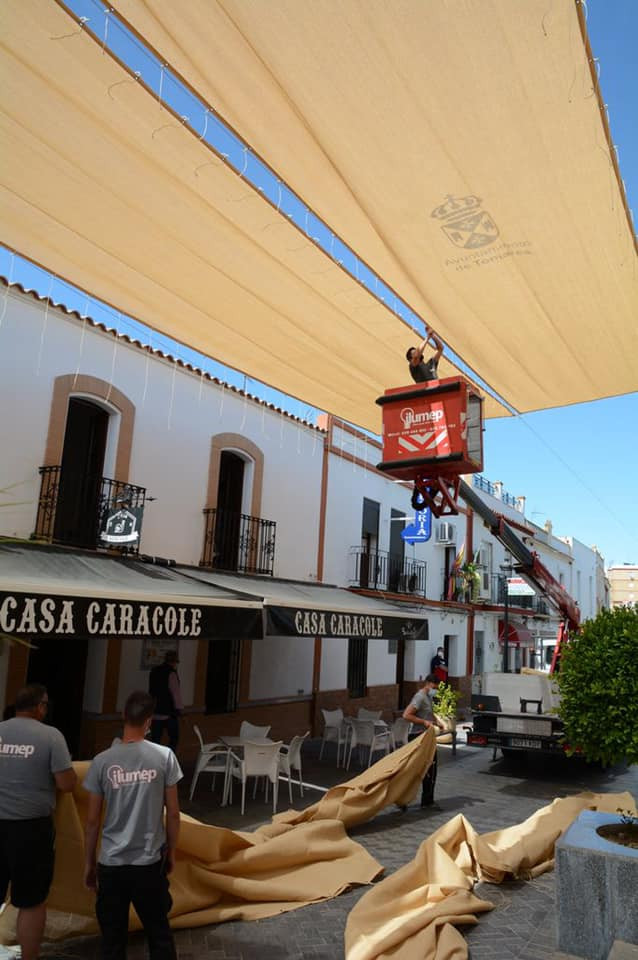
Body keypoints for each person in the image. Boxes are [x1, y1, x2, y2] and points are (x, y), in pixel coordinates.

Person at [83, 690, 182, 960]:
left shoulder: (102, 761)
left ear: (123, 716)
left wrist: (90, 863)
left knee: (112, 941)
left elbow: (92, 821)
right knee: (159, 936)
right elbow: (173, 814)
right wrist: (171, 853)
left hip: (112, 864)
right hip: (149, 863)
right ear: (149, 722)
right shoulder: (164, 757)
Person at [0, 684, 76, 960]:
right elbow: (66, 783)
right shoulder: (51, 736)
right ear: (40, 706)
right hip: (30, 829)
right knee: (31, 901)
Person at [403, 675, 444, 808]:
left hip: (426, 737)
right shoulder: (420, 697)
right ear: (427, 684)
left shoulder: (428, 697)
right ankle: (402, 798)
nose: (435, 690)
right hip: (417, 737)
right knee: (414, 769)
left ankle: (427, 801)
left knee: (430, 769)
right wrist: (424, 722)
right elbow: (406, 715)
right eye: (434, 687)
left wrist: (436, 722)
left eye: (437, 688)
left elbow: (427, 713)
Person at [148, 651, 182, 753]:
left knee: (155, 740)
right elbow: (175, 693)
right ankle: (169, 760)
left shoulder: (154, 671)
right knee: (174, 738)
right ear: (174, 662)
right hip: (168, 712)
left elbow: (151, 690)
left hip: (155, 711)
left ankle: (154, 760)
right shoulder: (171, 673)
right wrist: (179, 710)